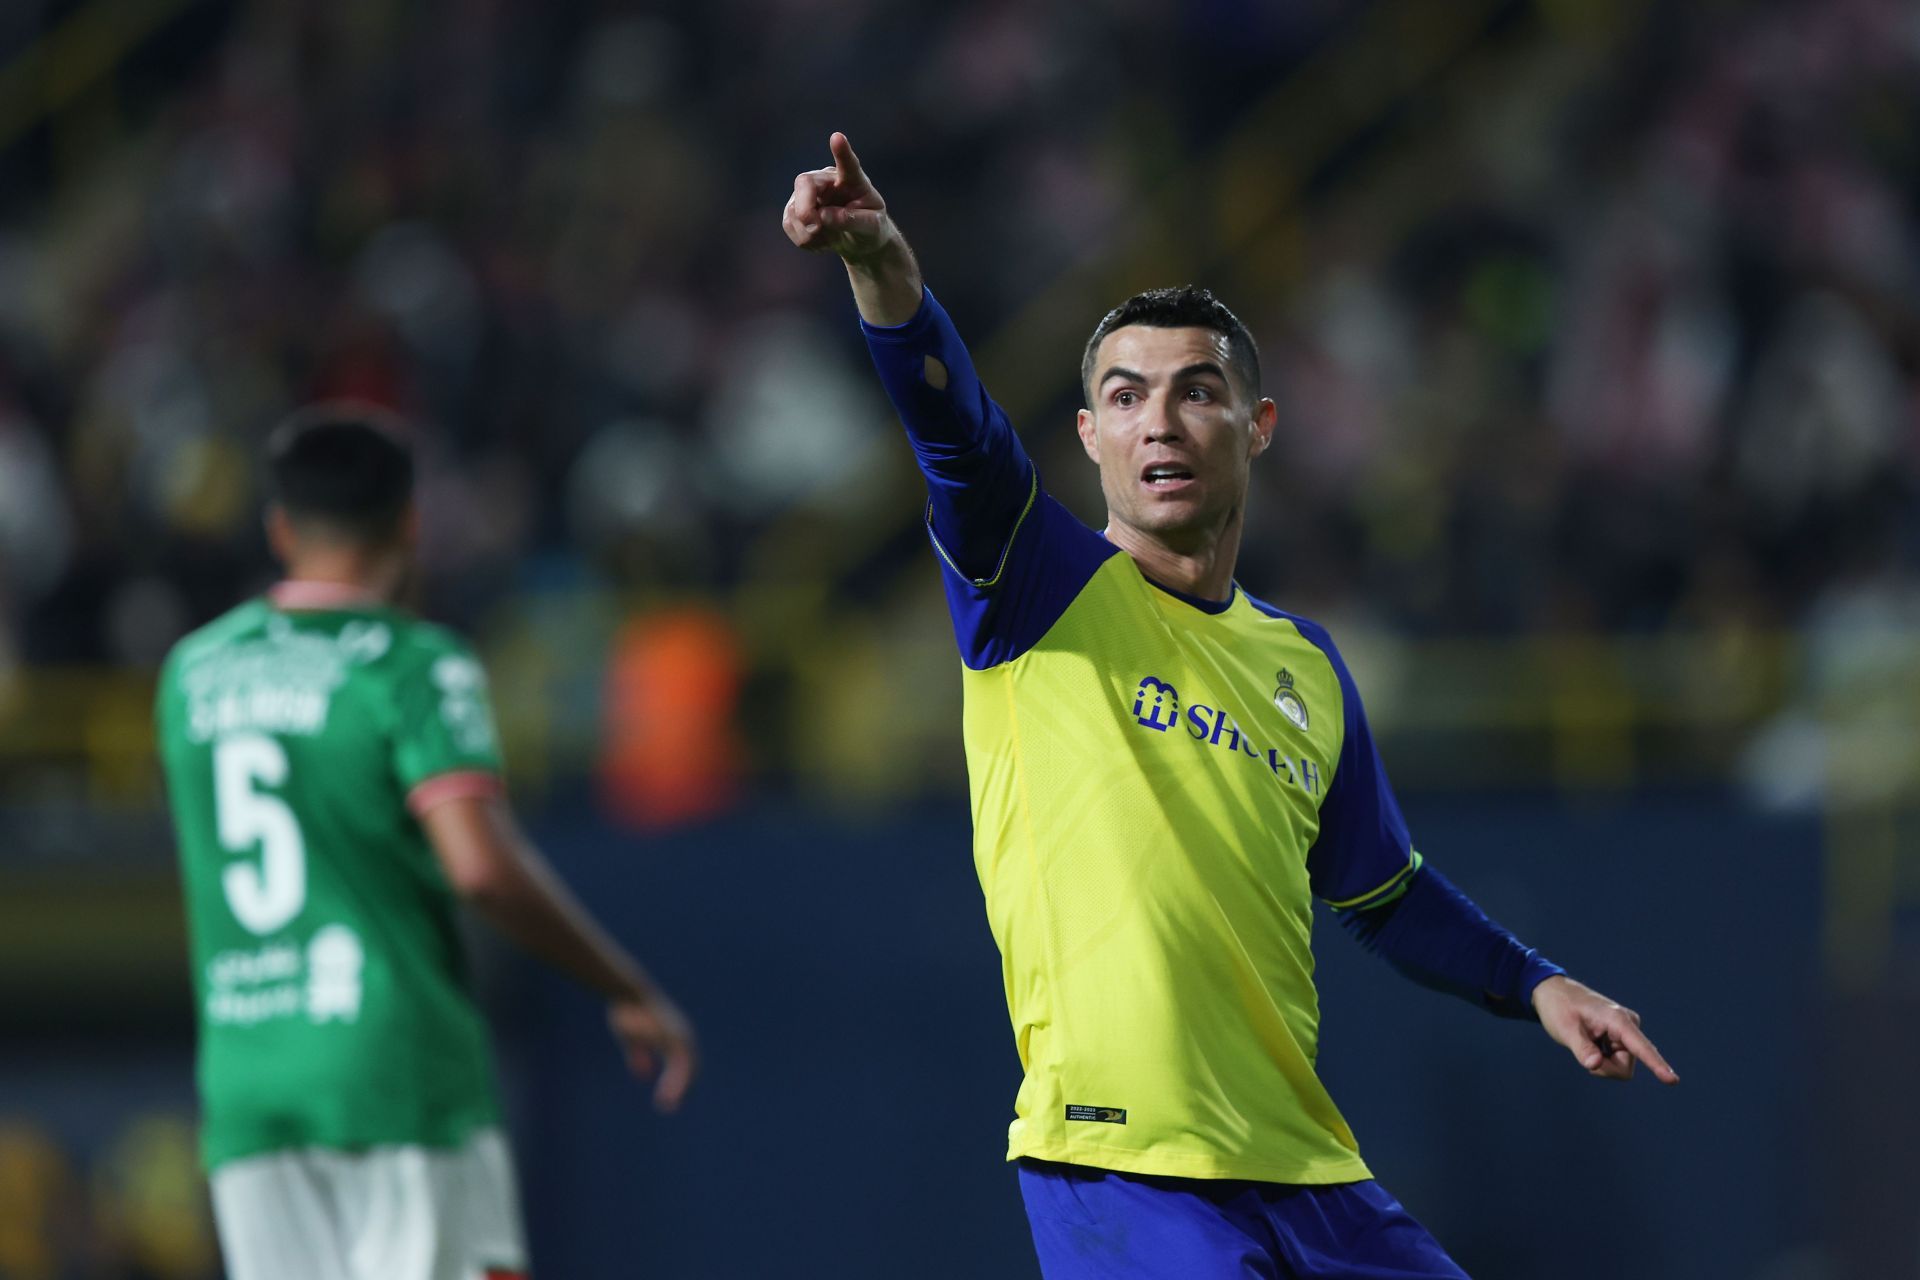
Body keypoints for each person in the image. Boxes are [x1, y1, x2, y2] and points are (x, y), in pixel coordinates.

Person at [783, 133, 1677, 1278]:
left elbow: (1385, 892)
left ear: (1255, 427)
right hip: (1124, 1170)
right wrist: (883, 268)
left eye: (1196, 391)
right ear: (1090, 438)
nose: (1159, 420)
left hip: (1311, 1172)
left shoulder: (1303, 665)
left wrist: (1535, 980)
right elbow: (953, 434)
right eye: (1126, 395)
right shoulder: (1034, 585)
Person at [154, 405, 697, 1280]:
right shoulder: (414, 664)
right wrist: (622, 985)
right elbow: (480, 868)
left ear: (281, 527)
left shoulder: (192, 673)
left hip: (249, 1084)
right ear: (409, 523)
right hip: (393, 1072)